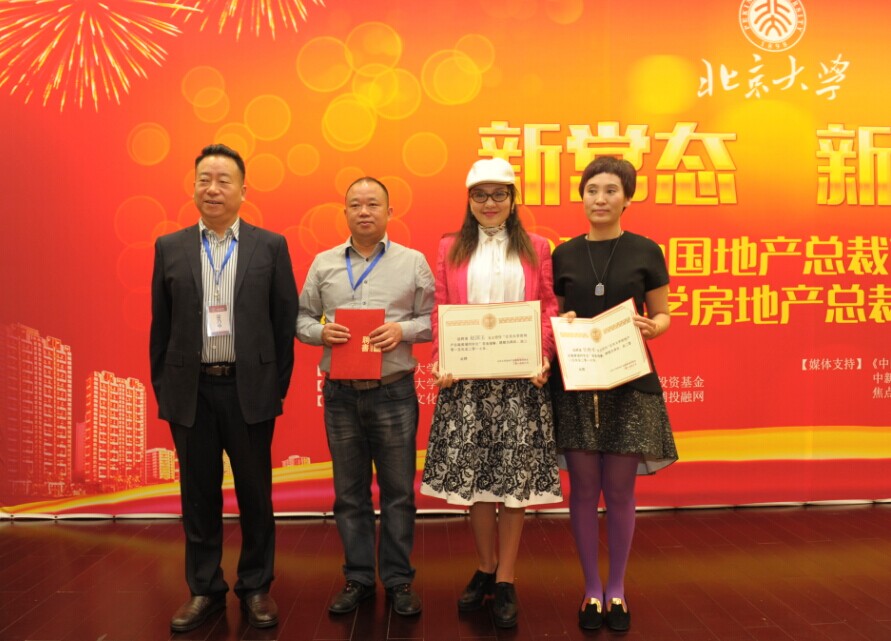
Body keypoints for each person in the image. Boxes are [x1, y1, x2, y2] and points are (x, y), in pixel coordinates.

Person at [150, 144, 299, 632]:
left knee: (255, 494)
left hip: (248, 390)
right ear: (193, 186)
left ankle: (255, 586)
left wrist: (273, 386)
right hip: (190, 392)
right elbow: (161, 327)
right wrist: (167, 389)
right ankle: (204, 589)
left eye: (223, 180)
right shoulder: (169, 247)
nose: (212, 189)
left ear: (243, 190)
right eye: (204, 180)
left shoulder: (269, 245)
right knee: (198, 495)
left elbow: (284, 322)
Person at [420, 158, 562, 628]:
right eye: (480, 194)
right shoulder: (450, 247)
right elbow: (442, 307)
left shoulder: (537, 247)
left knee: (514, 485)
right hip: (466, 381)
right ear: (469, 200)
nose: (489, 203)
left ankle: (506, 578)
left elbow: (547, 307)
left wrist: (543, 355)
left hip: (521, 381)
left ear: (513, 199)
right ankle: (484, 566)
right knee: (477, 480)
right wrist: (441, 358)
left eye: (499, 193)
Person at [550, 156, 678, 632]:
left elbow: (663, 314)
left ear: (627, 198)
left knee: (621, 490)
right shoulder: (563, 253)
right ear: (581, 196)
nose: (600, 199)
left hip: (630, 381)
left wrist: (654, 326)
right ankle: (591, 589)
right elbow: (554, 315)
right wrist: (560, 322)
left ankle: (617, 589)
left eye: (610, 191)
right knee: (583, 489)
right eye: (592, 190)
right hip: (577, 382)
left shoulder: (646, 250)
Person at [296, 177, 434, 617]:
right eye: (355, 204)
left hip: (393, 392)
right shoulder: (323, 263)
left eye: (373, 204)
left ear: (389, 212)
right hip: (340, 394)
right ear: (345, 213)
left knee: (398, 492)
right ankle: (358, 577)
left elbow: (435, 318)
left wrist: (402, 330)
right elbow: (300, 319)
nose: (364, 211)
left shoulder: (413, 262)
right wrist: (321, 332)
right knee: (349, 493)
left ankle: (398, 580)